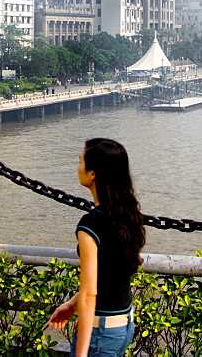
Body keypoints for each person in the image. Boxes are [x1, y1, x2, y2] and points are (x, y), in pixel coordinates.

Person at [47, 138, 144, 357]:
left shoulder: (90, 225)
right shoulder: (128, 215)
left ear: (93, 173)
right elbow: (110, 274)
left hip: (100, 332)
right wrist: (72, 304)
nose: (77, 167)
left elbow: (91, 294)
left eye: (80, 161)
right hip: (123, 325)